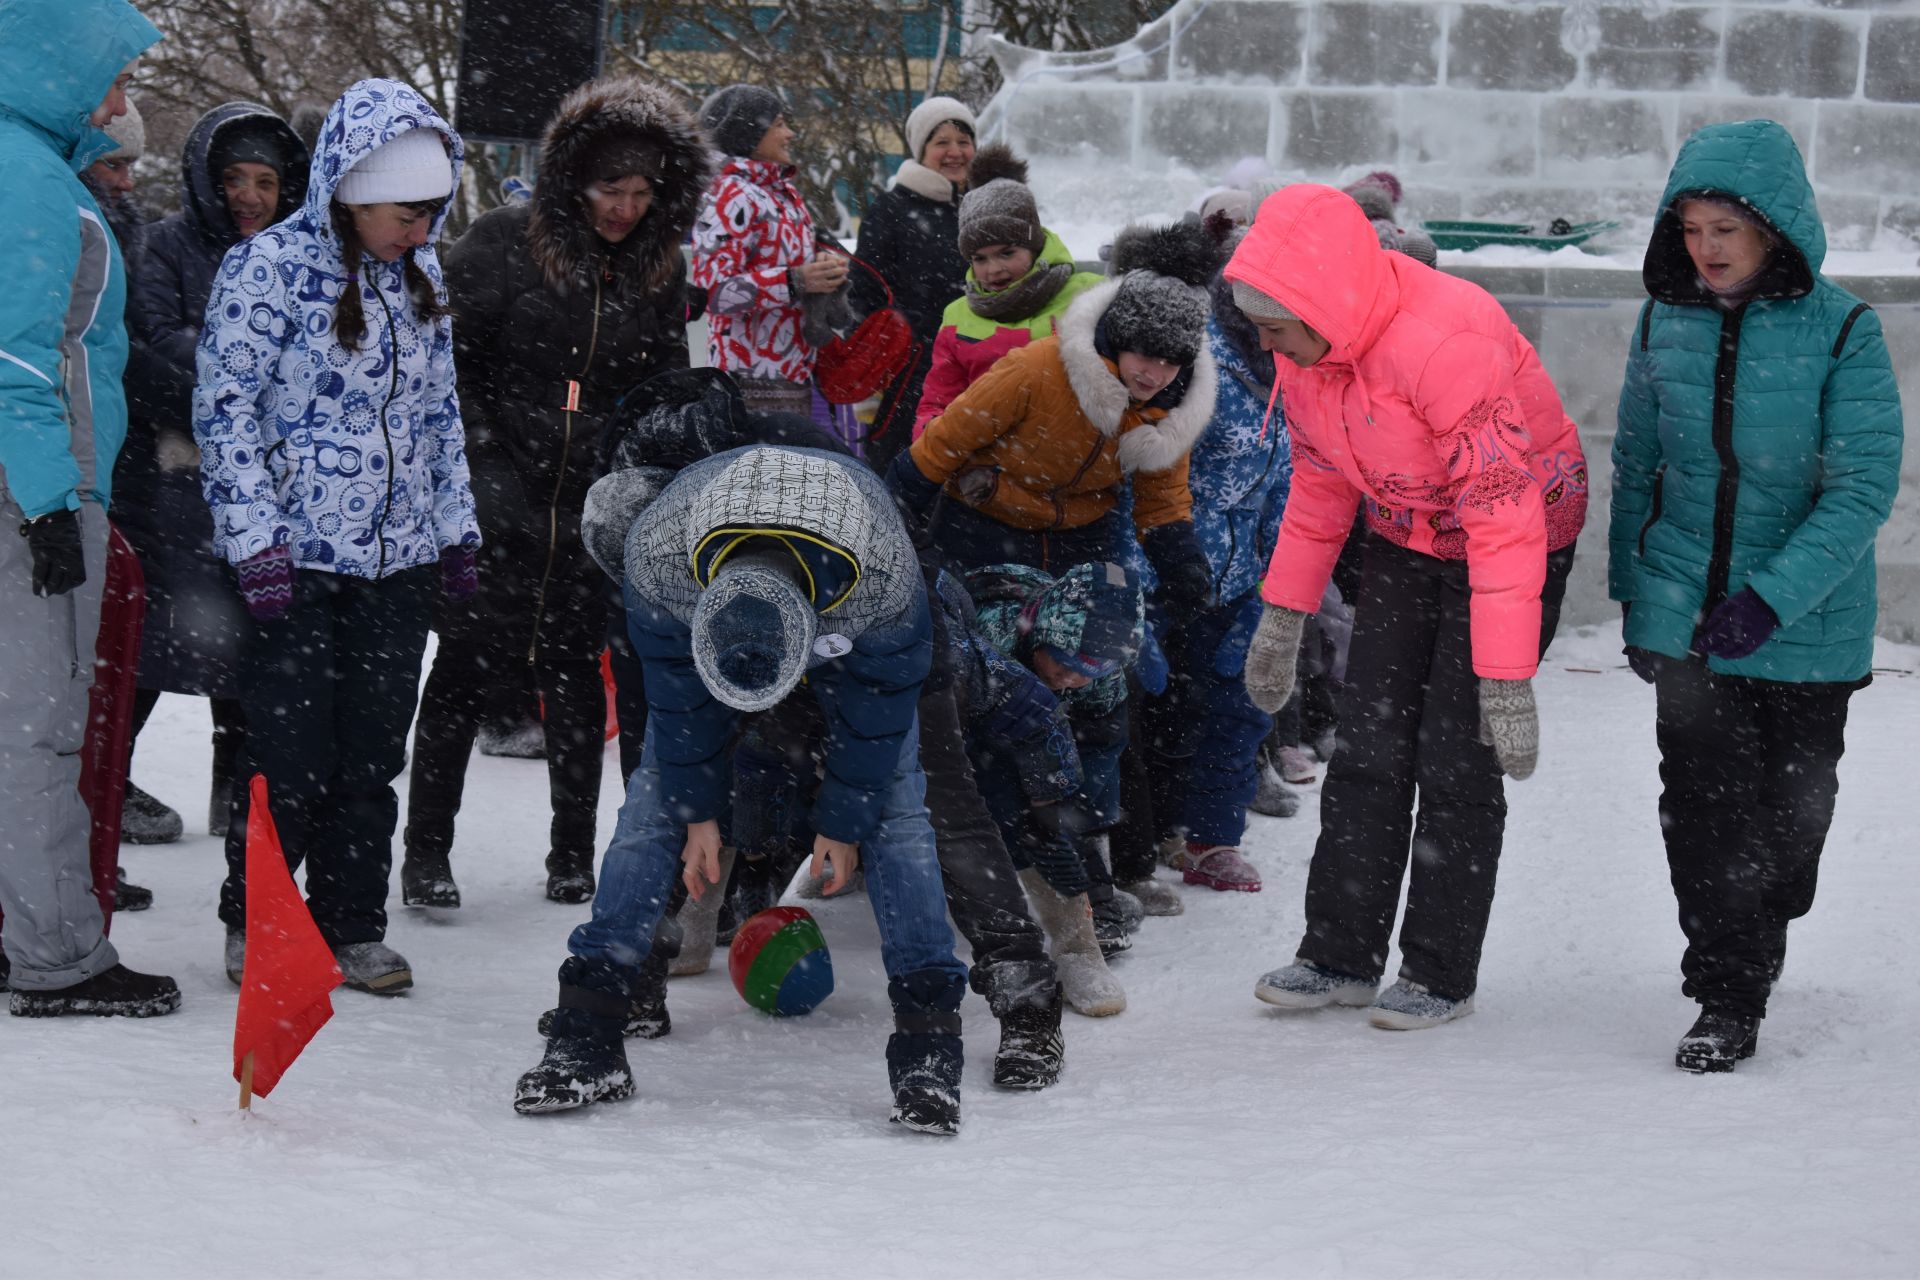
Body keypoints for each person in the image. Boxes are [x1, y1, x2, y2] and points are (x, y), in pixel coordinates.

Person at [515, 443, 970, 1136]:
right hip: (723, 587)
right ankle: (588, 1033)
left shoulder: (882, 576)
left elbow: (880, 707)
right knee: (649, 811)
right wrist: (698, 812)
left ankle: (928, 1051)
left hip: (851, 630)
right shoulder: (661, 558)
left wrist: (843, 822)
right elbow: (673, 692)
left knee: (899, 821)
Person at [1233, 183, 1588, 1031]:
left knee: (1457, 757)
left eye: (1274, 324)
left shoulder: (1444, 342)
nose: (1263, 342)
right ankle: (1340, 954)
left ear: (1322, 302)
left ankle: (1439, 970)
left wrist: (1502, 678)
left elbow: (1505, 519)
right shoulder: (1306, 349)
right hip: (1408, 526)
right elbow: (1321, 487)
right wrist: (1285, 614)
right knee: (1370, 743)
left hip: (1516, 526)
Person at [1610, 120, 1903, 1073]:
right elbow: (1639, 466)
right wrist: (1637, 601)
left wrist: (1770, 599)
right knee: (1702, 810)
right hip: (1690, 618)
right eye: (1692, 228)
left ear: (1773, 228)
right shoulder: (1664, 318)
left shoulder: (1847, 329)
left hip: (1808, 622)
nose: (1707, 249)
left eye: (1726, 229)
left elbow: (1862, 487)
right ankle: (1726, 995)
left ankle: (1759, 926)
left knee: (1790, 823)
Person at [195, 79, 479, 996]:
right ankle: (261, 918)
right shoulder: (266, 268)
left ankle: (352, 923)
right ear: (354, 194)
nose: (423, 232)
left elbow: (438, 417)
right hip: (297, 561)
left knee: (370, 751)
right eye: (408, 213)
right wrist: (255, 543)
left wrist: (455, 530)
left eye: (435, 213)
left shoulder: (422, 278)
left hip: (396, 560)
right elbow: (225, 412)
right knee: (288, 752)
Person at [403, 76, 709, 909]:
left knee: (577, 680)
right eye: (613, 190)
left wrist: (641, 471)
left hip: (593, 507)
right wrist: (484, 467)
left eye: (643, 194)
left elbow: (664, 388)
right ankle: (425, 851)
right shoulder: (504, 239)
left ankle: (571, 851)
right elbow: (444, 364)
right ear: (578, 180)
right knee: (462, 674)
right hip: (497, 496)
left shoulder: (659, 269)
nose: (625, 209)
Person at [0, 0, 177, 1016]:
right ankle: (59, 952)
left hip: (26, 483)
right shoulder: (30, 182)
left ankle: (26, 925)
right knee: (36, 729)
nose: (116, 105)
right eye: (108, 80)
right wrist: (49, 504)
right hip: (31, 492)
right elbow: (19, 360)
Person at [121, 100, 308, 851]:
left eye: (265, 180)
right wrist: (242, 381)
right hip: (175, 482)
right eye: (235, 177)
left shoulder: (300, 256)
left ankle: (239, 796)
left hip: (267, 487)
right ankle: (111, 786)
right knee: (154, 647)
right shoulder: (164, 246)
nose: (250, 196)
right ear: (207, 178)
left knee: (251, 647)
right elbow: (154, 343)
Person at [889, 218, 1220, 592]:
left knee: (1095, 642)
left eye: (1171, 363)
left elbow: (1162, 501)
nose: (1155, 375)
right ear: (1118, 339)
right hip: (986, 519)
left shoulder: (1171, 406)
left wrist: (1184, 566)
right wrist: (898, 512)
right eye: (1146, 355)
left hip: (1082, 535)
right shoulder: (1039, 367)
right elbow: (944, 441)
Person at [1139, 219, 1294, 895]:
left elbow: (1294, 476)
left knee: (1239, 701)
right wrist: (1153, 570)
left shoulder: (1298, 361)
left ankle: (1212, 839)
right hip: (1165, 570)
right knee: (1151, 709)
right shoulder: (1194, 362)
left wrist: (1282, 570)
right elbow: (1145, 469)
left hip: (1244, 574)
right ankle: (1138, 844)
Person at [910, 144, 1103, 437]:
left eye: (1007, 253)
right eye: (980, 259)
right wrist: (934, 445)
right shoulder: (958, 316)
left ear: (1034, 246)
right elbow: (938, 403)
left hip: (1075, 464)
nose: (993, 269)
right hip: (990, 468)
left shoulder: (1088, 295)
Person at [691, 86, 851, 424]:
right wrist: (796, 280)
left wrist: (824, 268)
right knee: (751, 476)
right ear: (750, 132)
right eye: (778, 124)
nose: (789, 133)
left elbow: (792, 266)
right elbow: (714, 292)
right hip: (744, 380)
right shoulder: (728, 194)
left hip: (792, 375)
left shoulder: (782, 191)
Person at [851, 95, 975, 468]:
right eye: (941, 142)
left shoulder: (977, 206)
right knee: (908, 465)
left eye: (964, 141)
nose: (955, 152)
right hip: (912, 369)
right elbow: (864, 293)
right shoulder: (891, 209)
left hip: (976, 360)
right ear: (921, 150)